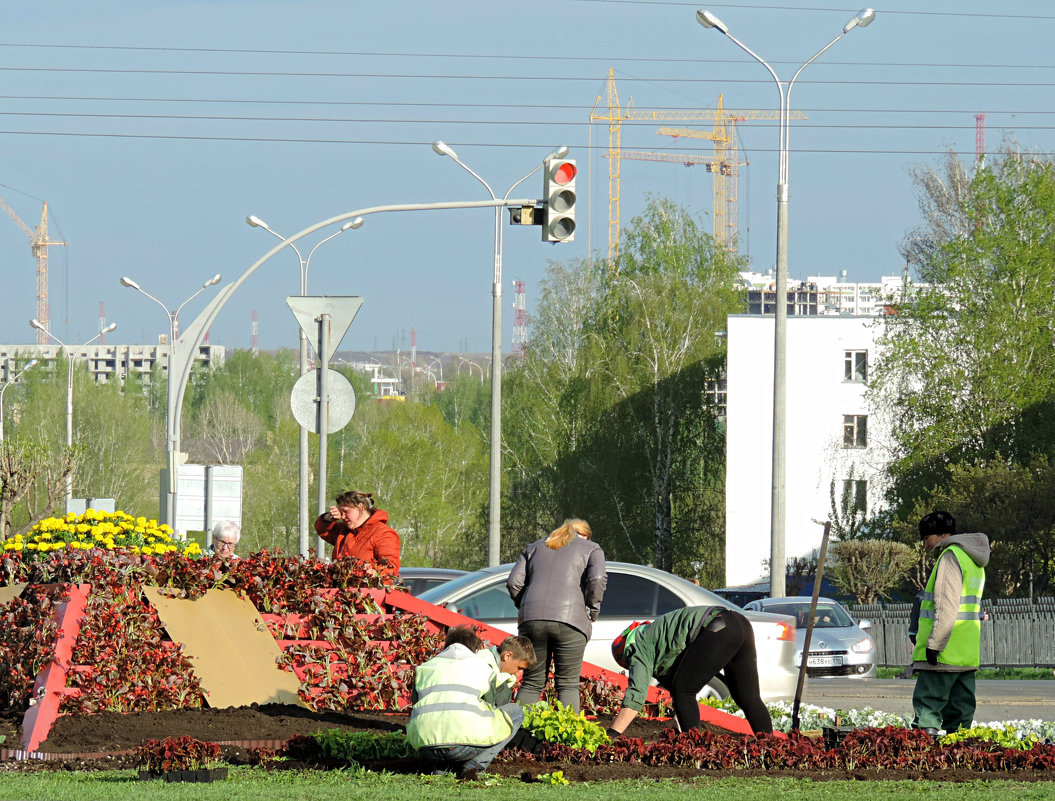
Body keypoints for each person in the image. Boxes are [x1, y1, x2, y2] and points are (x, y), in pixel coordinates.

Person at [606, 606, 773, 738]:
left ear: (623, 654)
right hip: (739, 624)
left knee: (684, 691)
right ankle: (770, 749)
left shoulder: (636, 647)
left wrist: (612, 734)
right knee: (748, 697)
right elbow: (682, 673)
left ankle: (693, 750)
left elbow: (637, 695)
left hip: (719, 627)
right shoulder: (657, 633)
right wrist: (677, 724)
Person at [506, 518, 607, 713]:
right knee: (568, 684)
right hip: (571, 622)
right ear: (583, 535)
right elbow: (597, 578)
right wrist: (592, 610)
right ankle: (567, 741)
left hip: (531, 621)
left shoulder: (534, 547)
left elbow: (513, 582)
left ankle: (515, 734)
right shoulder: (592, 549)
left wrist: (526, 605)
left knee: (532, 682)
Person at [407, 634, 536, 781]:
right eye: (519, 668)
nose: (519, 674)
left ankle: (440, 768)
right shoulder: (484, 668)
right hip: (460, 748)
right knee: (515, 713)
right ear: (507, 656)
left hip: (425, 747)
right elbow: (490, 712)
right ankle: (473, 766)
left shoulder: (425, 668)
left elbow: (415, 708)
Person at [911, 510, 990, 735]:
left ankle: (925, 757)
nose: (926, 544)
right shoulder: (975, 561)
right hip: (966, 653)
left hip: (943, 654)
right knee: (961, 716)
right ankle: (960, 760)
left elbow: (946, 606)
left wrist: (934, 644)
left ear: (941, 535)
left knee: (928, 708)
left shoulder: (950, 556)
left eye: (926, 538)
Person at [314, 490, 401, 574]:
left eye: (346, 511)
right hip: (342, 587)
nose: (342, 517)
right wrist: (328, 518)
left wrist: (370, 573)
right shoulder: (344, 530)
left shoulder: (383, 533)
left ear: (361, 507)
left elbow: (391, 567)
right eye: (340, 513)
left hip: (367, 588)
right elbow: (322, 530)